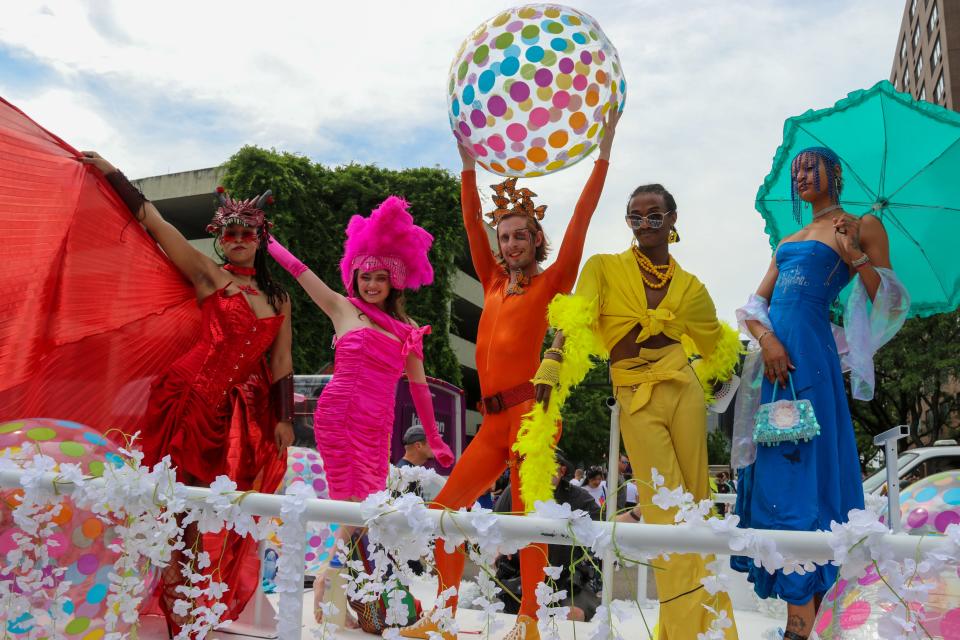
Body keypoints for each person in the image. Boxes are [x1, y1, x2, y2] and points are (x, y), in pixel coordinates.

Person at [399, 107, 620, 640]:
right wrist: (467, 165)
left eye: (522, 235)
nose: (511, 242)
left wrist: (603, 155)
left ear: (536, 240)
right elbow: (471, 221)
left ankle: (529, 621)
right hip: (492, 422)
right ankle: (444, 615)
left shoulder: (553, 281)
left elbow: (581, 222)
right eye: (506, 236)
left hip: (531, 418)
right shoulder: (493, 282)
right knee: (444, 511)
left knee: (525, 521)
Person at [77, 153, 295, 637]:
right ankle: (174, 610)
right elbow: (156, 223)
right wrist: (114, 174)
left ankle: (197, 604)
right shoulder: (206, 274)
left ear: (260, 239)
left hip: (242, 416)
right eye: (229, 233)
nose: (237, 241)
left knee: (217, 509)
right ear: (219, 237)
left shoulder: (280, 299)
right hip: (189, 402)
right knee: (175, 508)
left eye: (247, 233)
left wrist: (285, 418)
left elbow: (281, 363)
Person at [539, 182, 742, 638]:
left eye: (655, 215)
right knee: (664, 507)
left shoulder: (691, 288)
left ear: (672, 220)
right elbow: (575, 314)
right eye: (636, 216)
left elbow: (719, 352)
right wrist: (553, 359)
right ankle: (688, 630)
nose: (645, 223)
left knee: (695, 505)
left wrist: (747, 369)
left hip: (682, 389)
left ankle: (695, 627)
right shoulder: (605, 268)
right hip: (633, 391)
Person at [731, 147, 909, 640]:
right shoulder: (787, 239)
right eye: (796, 172)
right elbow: (753, 305)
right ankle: (798, 619)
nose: (803, 176)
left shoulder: (862, 225)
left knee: (806, 474)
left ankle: (800, 625)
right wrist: (766, 340)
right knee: (773, 471)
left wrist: (855, 255)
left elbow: (889, 300)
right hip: (772, 363)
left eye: (812, 167)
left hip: (810, 358)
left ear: (835, 172)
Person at [266, 196, 454, 622]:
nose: (371, 285)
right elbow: (301, 273)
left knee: (364, 510)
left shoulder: (408, 332)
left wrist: (436, 438)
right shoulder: (342, 308)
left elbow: (421, 391)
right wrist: (268, 240)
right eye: (365, 276)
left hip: (377, 422)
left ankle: (338, 590)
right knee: (349, 504)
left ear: (394, 283)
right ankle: (329, 590)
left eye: (379, 278)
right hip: (338, 412)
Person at [493, 450, 601, 622]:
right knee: (525, 617)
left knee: (574, 615)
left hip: (567, 579)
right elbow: (494, 525)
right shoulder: (515, 490)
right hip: (520, 576)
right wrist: (499, 549)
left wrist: (636, 513)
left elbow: (608, 522)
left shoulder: (577, 497)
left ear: (562, 471)